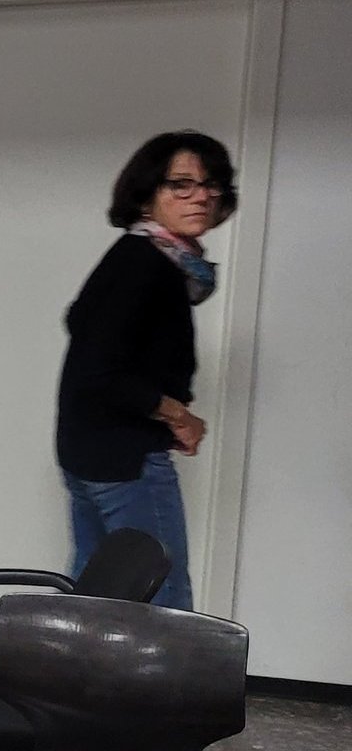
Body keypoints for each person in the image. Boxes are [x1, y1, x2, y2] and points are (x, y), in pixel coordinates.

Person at [53, 131, 233, 612]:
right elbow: (100, 371)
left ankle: (11, 684)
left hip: (91, 450)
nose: (201, 195)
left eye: (211, 184)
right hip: (124, 459)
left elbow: (83, 326)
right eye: (181, 184)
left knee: (89, 598)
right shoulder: (145, 263)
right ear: (148, 196)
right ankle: (175, 690)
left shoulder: (145, 258)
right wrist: (177, 415)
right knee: (164, 604)